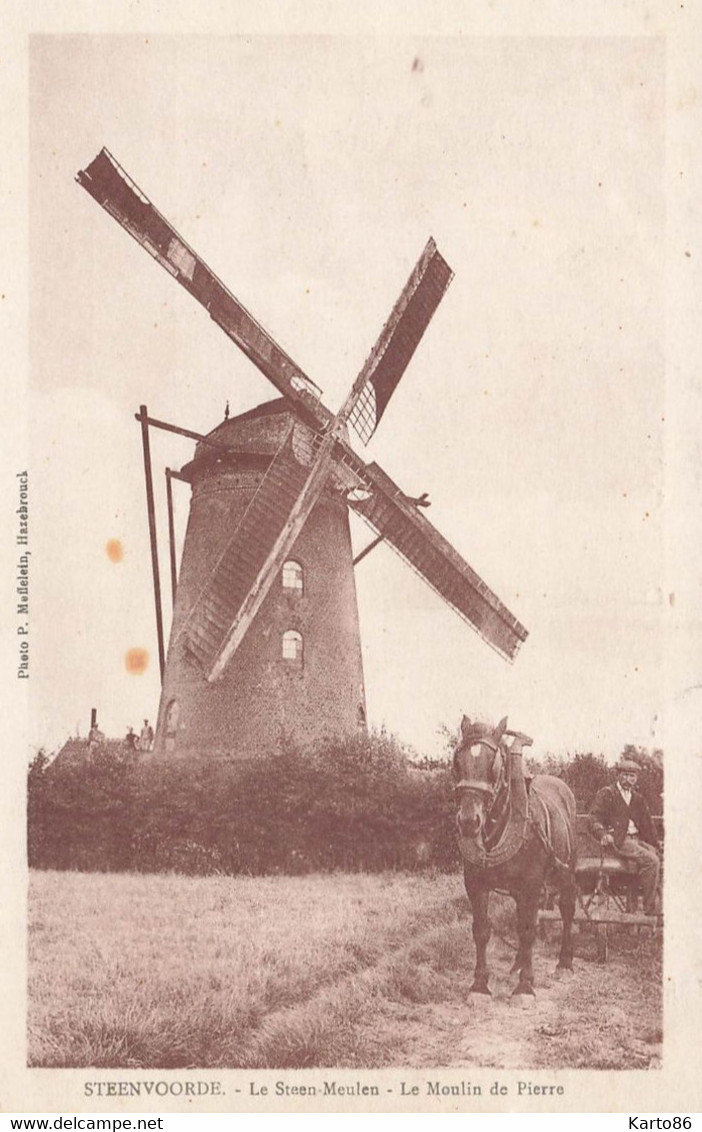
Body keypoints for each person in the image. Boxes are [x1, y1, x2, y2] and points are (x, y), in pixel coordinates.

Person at [589, 758, 660, 916]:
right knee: (652, 861)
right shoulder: (608, 794)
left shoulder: (637, 799)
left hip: (636, 841)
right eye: (625, 775)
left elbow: (648, 826)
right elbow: (594, 818)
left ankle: (632, 909)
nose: (629, 780)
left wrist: (656, 845)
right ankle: (650, 910)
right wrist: (603, 834)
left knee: (655, 854)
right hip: (618, 841)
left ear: (636, 779)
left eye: (632, 776)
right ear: (618, 776)